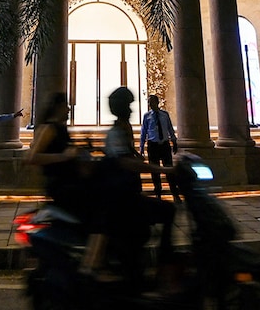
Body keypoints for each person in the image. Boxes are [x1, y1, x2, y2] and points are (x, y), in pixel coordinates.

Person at [82, 87, 176, 289]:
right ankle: (164, 264)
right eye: (128, 105)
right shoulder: (117, 132)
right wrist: (159, 169)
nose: (131, 110)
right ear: (122, 108)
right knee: (168, 211)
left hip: (126, 194)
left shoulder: (120, 129)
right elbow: (124, 162)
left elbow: (122, 155)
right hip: (122, 199)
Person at [26, 92, 85, 215]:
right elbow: (33, 157)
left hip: (69, 182)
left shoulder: (61, 128)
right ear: (58, 107)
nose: (69, 109)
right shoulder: (49, 129)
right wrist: (63, 157)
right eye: (66, 106)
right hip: (59, 185)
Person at [140, 94, 180, 202]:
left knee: (169, 169)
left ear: (157, 103)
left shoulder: (164, 115)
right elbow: (143, 132)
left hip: (164, 145)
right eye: (149, 102)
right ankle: (158, 194)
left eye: (152, 102)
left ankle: (175, 194)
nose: (150, 104)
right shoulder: (147, 116)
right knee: (155, 171)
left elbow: (170, 128)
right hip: (153, 145)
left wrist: (174, 141)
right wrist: (141, 147)